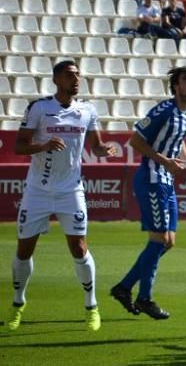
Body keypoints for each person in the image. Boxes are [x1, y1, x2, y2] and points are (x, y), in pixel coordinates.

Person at [8, 60, 121, 331]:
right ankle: (18, 303)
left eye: (78, 74)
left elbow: (95, 147)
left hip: (71, 189)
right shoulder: (40, 108)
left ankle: (91, 306)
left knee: (79, 248)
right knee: (24, 250)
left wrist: (104, 149)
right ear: (57, 79)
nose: (76, 79)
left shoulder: (87, 110)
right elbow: (19, 146)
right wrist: (43, 145)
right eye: (70, 75)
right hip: (38, 190)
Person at [110, 67, 186, 319]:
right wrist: (165, 161)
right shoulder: (163, 110)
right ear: (175, 86)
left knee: (169, 241)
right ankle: (145, 298)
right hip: (152, 178)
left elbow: (179, 142)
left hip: (166, 180)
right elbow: (135, 141)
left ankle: (123, 288)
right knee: (159, 240)